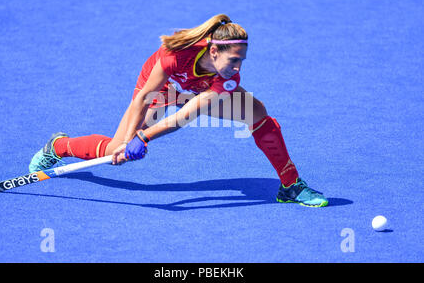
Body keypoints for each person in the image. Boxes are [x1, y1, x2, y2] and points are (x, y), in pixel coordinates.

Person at [29, 14, 328, 207]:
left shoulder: (227, 78)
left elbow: (187, 116)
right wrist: (130, 139)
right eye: (233, 60)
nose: (237, 68)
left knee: (257, 112)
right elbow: (144, 98)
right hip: (158, 89)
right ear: (214, 51)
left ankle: (290, 185)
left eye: (242, 61)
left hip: (192, 95)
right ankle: (58, 145)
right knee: (112, 151)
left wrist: (144, 139)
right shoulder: (176, 54)